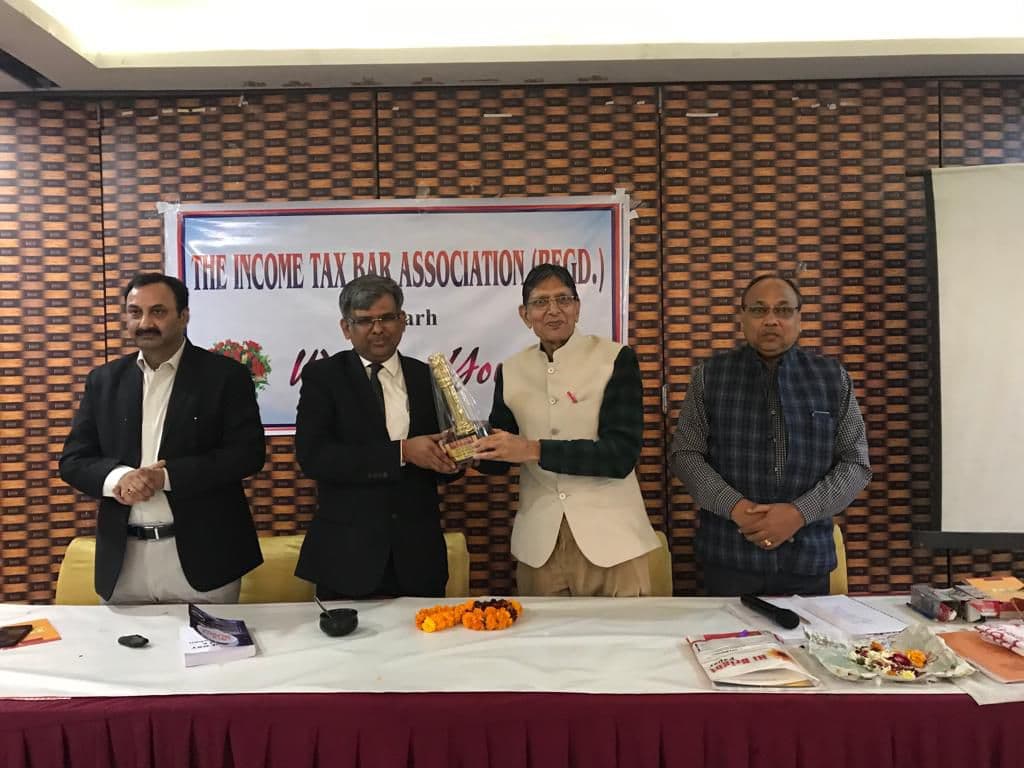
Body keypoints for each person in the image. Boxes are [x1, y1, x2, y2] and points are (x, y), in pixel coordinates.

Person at [59, 273, 266, 604]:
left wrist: (166, 477)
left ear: (184, 316)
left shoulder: (226, 377)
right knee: (123, 640)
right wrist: (119, 478)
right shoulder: (104, 381)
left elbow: (247, 455)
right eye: (135, 312)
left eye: (158, 311)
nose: (145, 323)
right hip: (123, 560)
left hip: (205, 558)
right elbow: (73, 460)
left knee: (213, 641)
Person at [669, 273, 871, 596]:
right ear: (742, 318)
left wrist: (798, 513)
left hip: (807, 559)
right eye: (759, 310)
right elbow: (685, 455)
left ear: (799, 319)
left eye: (783, 310)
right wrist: (737, 508)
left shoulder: (832, 378)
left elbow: (855, 463)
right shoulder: (709, 377)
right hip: (729, 557)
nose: (771, 320)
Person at [474, 264, 661, 597]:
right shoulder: (512, 370)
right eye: (540, 302)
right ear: (524, 314)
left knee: (624, 632)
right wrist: (466, 452)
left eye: (563, 299)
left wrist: (533, 449)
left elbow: (620, 455)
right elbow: (501, 458)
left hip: (613, 541)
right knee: (543, 634)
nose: (553, 310)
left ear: (577, 307)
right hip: (539, 547)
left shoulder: (614, 359)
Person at [294, 274, 458, 599]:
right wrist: (402, 452)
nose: (378, 329)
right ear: (346, 328)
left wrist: (455, 459)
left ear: (403, 321)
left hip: (418, 556)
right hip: (347, 556)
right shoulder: (323, 377)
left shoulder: (427, 377)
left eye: (386, 318)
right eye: (365, 321)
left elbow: (442, 463)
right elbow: (315, 458)